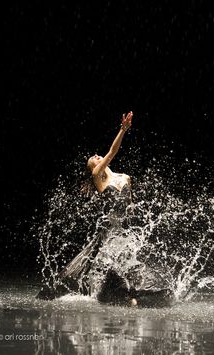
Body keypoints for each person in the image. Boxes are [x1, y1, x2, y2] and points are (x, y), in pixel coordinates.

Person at [36, 111, 134, 299]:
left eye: (97, 156)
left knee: (127, 264)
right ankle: (112, 295)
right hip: (110, 231)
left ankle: (124, 295)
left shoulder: (125, 177)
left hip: (125, 231)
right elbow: (112, 152)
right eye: (94, 159)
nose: (97, 156)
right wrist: (123, 130)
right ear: (93, 167)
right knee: (108, 265)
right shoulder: (98, 176)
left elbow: (131, 206)